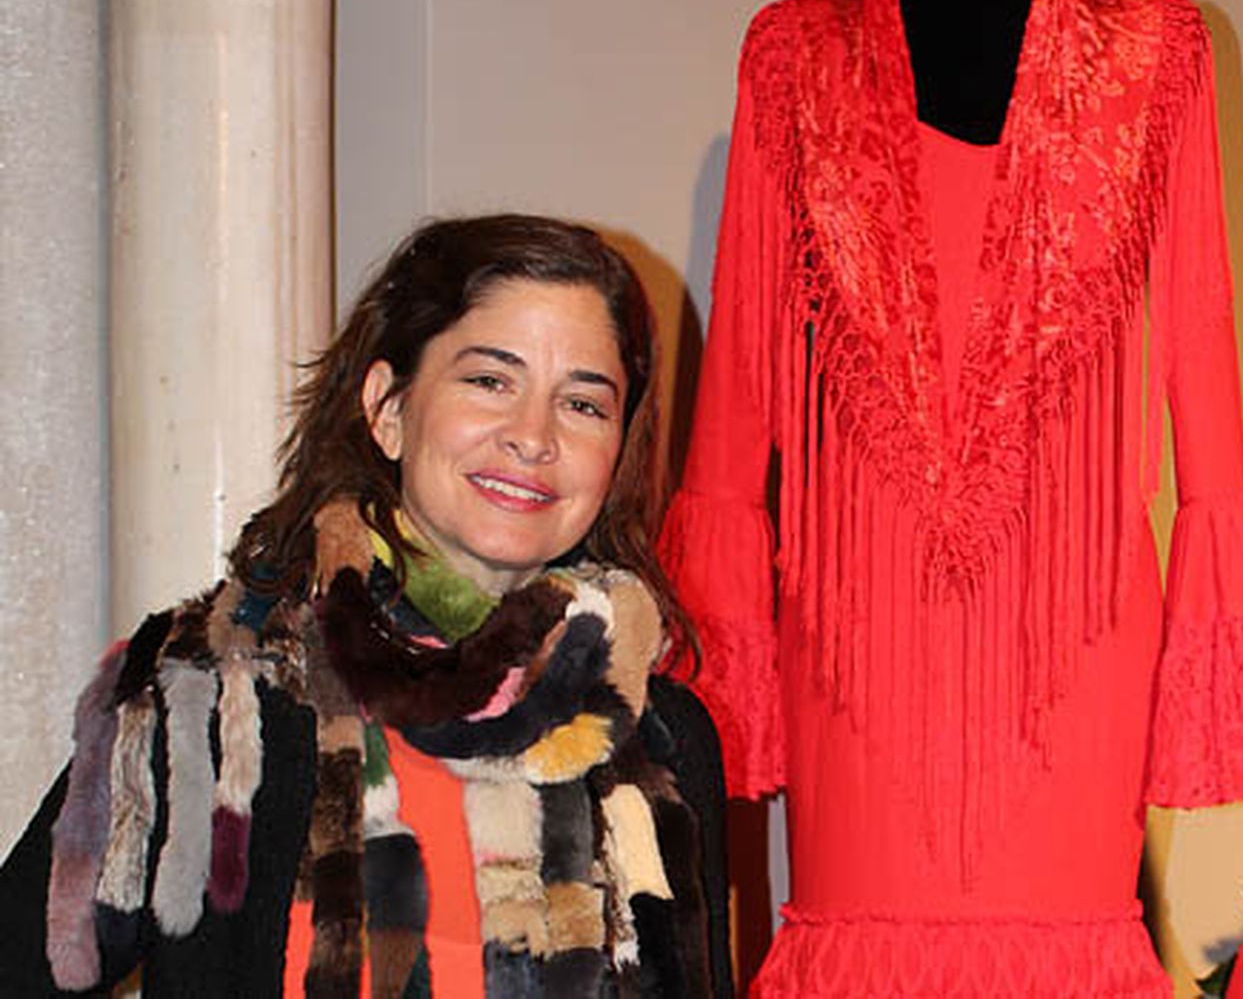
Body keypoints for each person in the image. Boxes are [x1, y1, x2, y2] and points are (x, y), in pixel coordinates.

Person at [659, 0, 1243, 996]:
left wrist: (1215, 528)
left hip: (1075, 614)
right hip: (850, 615)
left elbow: (1198, 324)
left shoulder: (1156, 51)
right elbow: (746, 352)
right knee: (851, 913)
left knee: (1075, 914)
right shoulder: (793, 53)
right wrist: (721, 605)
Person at [0, 214, 724, 998]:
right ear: (387, 409)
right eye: (489, 381)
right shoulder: (207, 695)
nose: (533, 436)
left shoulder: (659, 737)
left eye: (583, 404)